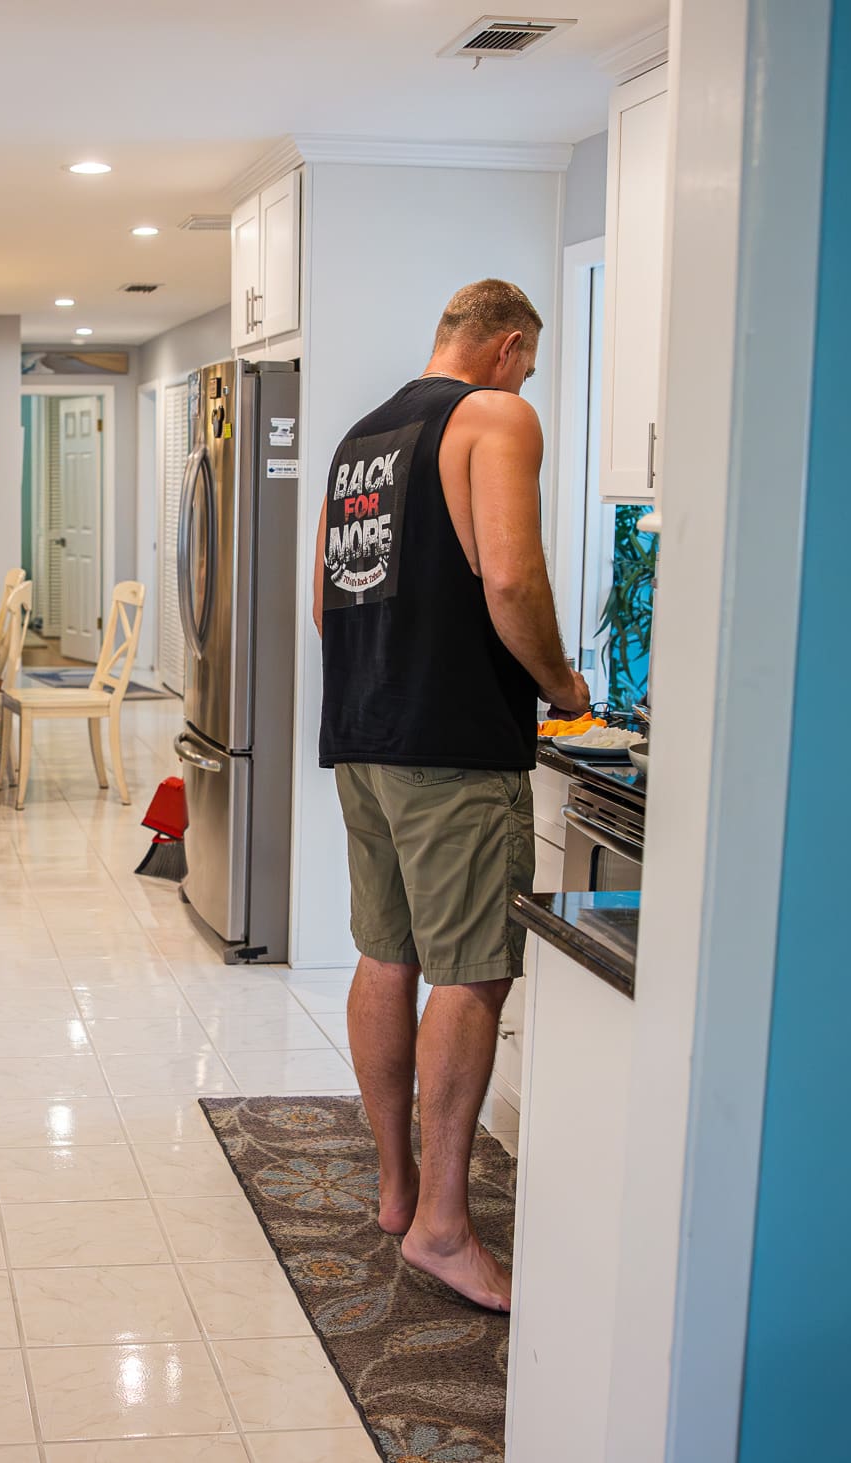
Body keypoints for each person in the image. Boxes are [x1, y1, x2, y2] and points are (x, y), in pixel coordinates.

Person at [311, 279, 592, 1311]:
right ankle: (440, 1225)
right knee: (469, 974)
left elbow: (322, 602)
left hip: (363, 733)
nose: (527, 380)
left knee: (385, 954)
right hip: (455, 746)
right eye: (528, 362)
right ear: (507, 345)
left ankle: (396, 1192)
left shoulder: (360, 440)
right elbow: (511, 580)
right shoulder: (494, 416)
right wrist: (561, 687)